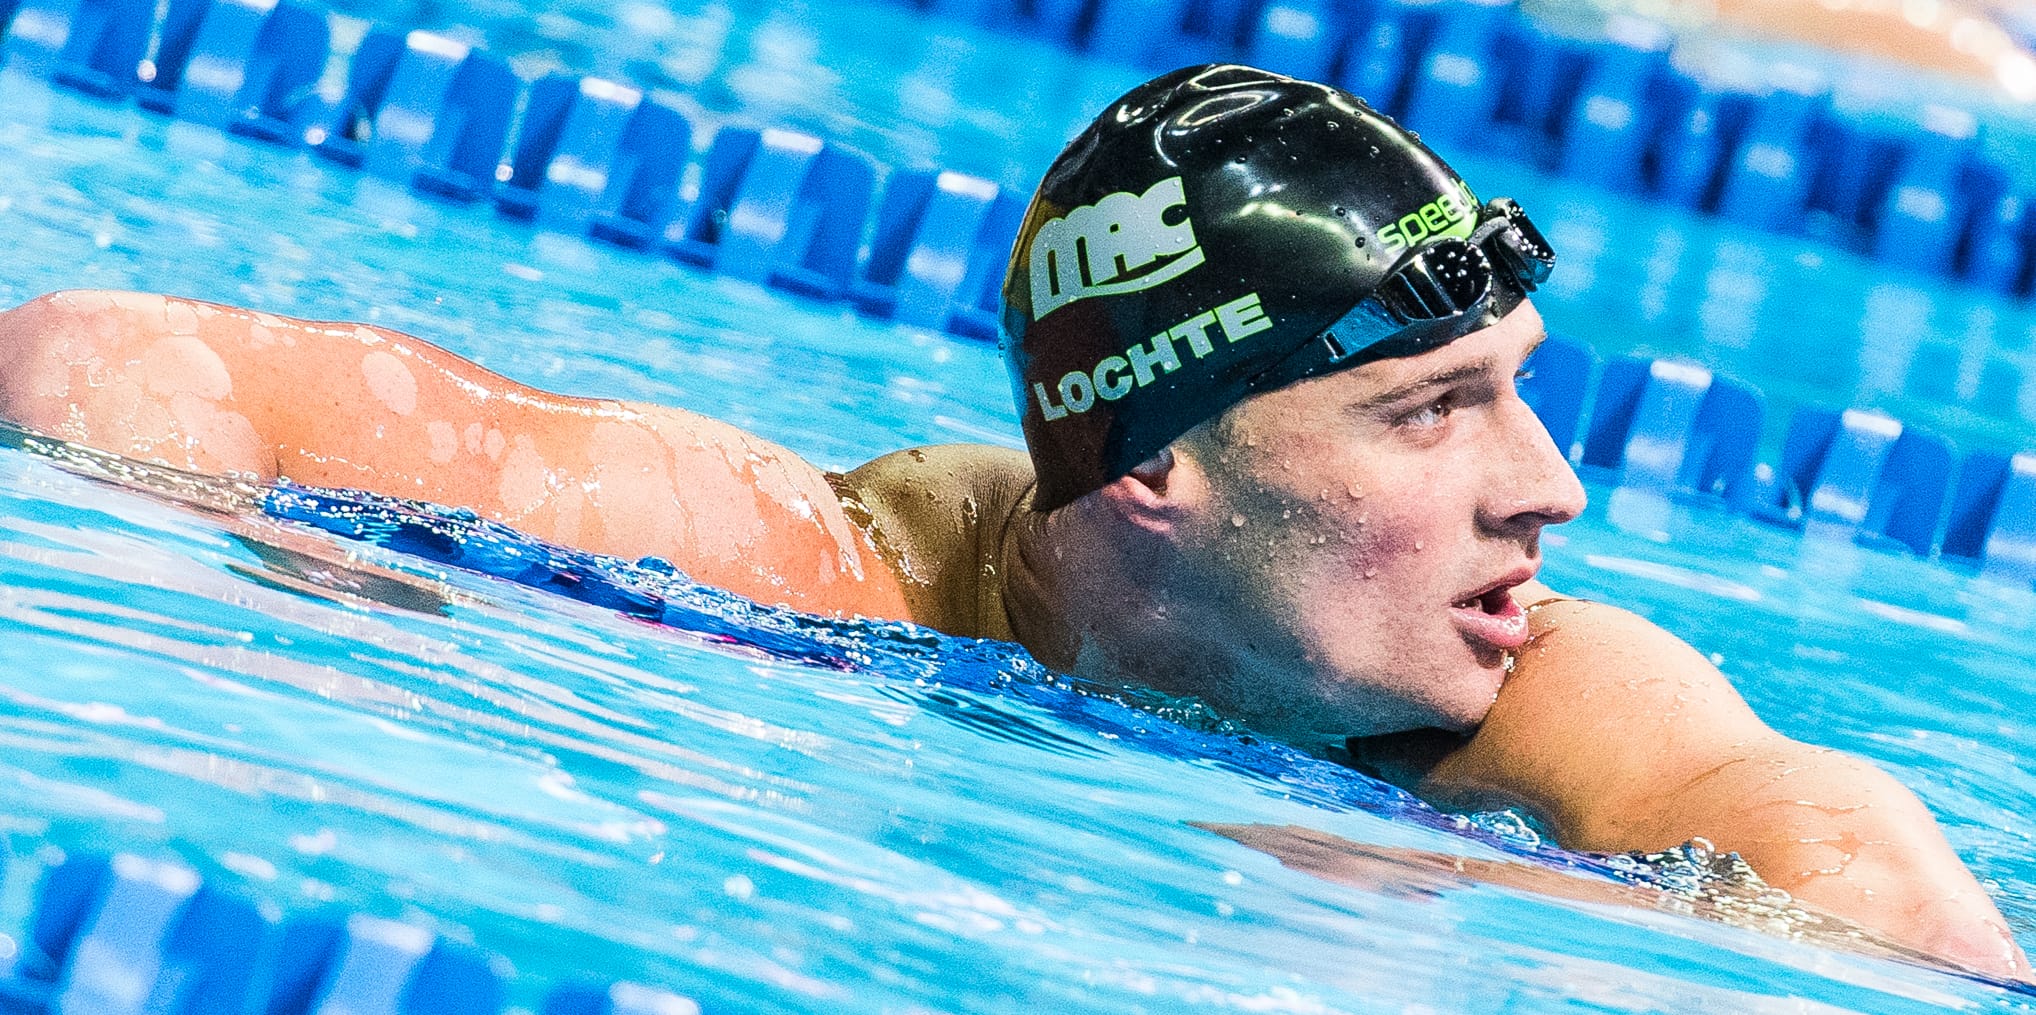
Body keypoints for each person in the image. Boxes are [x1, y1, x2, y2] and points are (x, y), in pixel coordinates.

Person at [0, 64, 2022, 976]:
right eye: (1430, 413)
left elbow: (1897, 921)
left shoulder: (1530, 709)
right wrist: (252, 613)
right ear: (1154, 464)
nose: (1551, 486)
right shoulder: (824, 572)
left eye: (1519, 387)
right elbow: (95, 359)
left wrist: (1492, 900)